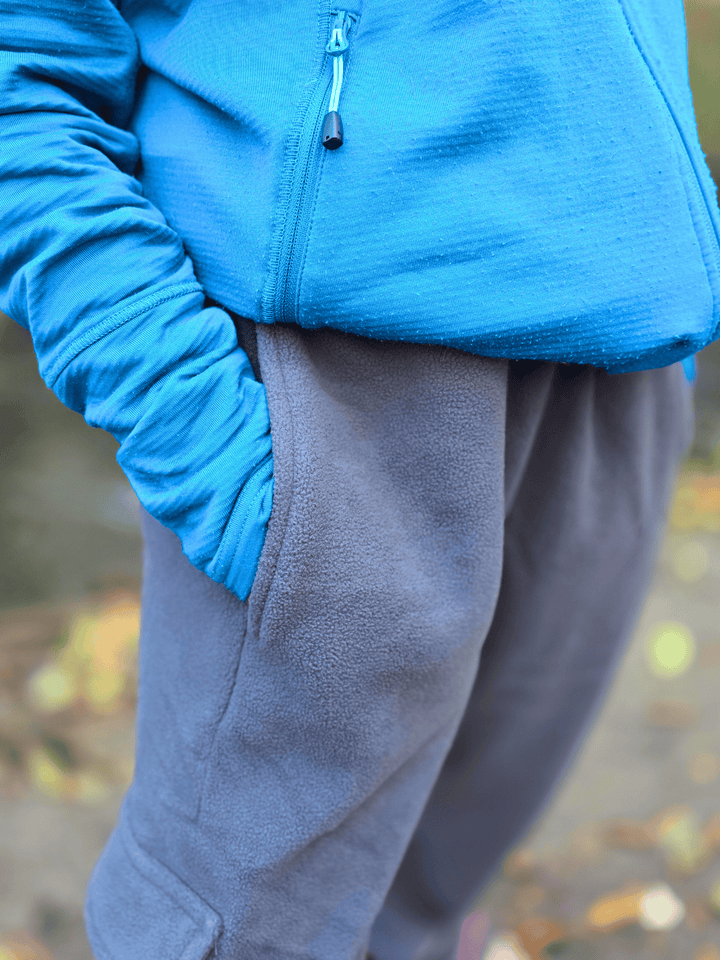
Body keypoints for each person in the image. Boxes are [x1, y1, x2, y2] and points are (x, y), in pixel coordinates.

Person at [0, 1, 717, 958]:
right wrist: (209, 440)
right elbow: (25, 67)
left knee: (427, 893)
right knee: (232, 931)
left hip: (613, 362)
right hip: (335, 399)